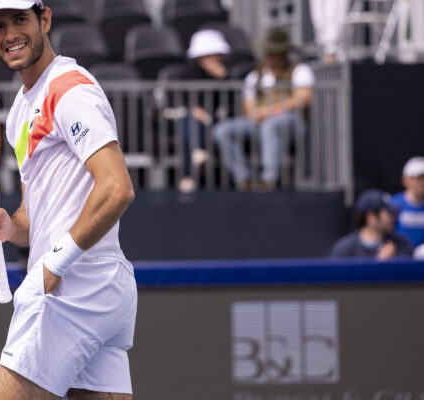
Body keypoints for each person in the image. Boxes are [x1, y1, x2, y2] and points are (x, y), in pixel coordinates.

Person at [0, 1, 137, 399]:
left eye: (19, 20)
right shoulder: (20, 114)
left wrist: (52, 265)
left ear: (44, 19)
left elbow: (117, 188)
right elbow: (33, 218)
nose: (9, 34)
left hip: (72, 286)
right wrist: (10, 226)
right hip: (102, 287)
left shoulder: (69, 89)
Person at [213, 27, 314, 192]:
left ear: (283, 53)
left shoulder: (299, 70)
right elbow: (248, 103)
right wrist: (255, 113)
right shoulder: (255, 76)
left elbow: (302, 98)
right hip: (260, 122)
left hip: (293, 122)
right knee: (221, 131)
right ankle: (243, 180)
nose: (268, 56)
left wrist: (269, 111)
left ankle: (269, 181)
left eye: (273, 52)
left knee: (270, 125)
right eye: (267, 52)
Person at [172, 29, 232, 192]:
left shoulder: (227, 76)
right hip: (184, 118)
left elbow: (231, 102)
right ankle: (195, 157)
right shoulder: (184, 74)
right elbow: (177, 98)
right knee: (189, 123)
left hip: (213, 121)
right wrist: (194, 109)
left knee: (193, 125)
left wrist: (224, 79)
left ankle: (188, 176)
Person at [329, 189, 413, 260]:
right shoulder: (344, 250)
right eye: (389, 213)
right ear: (371, 217)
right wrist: (382, 265)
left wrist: (394, 261)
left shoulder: (402, 245)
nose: (394, 217)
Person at [391, 156, 424, 250]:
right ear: (405, 180)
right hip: (400, 259)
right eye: (419, 178)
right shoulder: (394, 204)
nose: (423, 182)